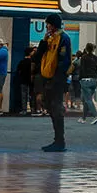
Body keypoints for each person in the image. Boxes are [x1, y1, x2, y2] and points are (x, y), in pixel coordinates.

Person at [34, 17, 74, 151]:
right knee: (51, 109)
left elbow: (64, 61)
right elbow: (37, 57)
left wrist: (58, 78)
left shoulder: (63, 38)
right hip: (47, 78)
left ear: (53, 26)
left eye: (48, 25)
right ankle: (57, 140)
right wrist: (43, 42)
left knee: (56, 109)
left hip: (56, 80)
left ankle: (59, 141)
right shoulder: (49, 39)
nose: (46, 27)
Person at [77, 43, 97, 123]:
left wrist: (80, 79)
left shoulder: (83, 58)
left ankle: (95, 116)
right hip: (94, 80)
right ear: (93, 49)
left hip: (85, 80)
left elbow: (82, 69)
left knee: (88, 99)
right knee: (85, 99)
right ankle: (83, 118)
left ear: (86, 49)